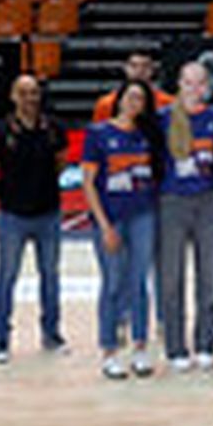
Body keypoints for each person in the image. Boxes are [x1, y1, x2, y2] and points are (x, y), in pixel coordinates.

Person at [81, 80, 160, 379]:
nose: (134, 103)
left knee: (139, 282)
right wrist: (104, 226)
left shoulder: (147, 135)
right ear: (119, 99)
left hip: (142, 216)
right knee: (113, 284)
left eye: (140, 99)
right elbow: (88, 184)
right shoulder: (99, 134)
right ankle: (110, 350)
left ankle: (140, 348)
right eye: (130, 96)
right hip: (111, 218)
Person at [0, 73, 66, 363]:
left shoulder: (54, 128)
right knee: (7, 278)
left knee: (51, 276)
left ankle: (51, 334)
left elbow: (60, 163)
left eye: (33, 92)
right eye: (23, 93)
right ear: (12, 96)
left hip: (49, 213)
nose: (29, 98)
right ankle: (1, 339)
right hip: (13, 216)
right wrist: (6, 197)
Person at [156, 63, 213, 371]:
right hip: (172, 201)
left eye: (200, 82)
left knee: (209, 275)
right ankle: (175, 347)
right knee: (171, 277)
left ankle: (205, 343)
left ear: (206, 86)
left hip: (208, 200)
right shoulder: (163, 119)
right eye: (188, 82)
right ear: (179, 84)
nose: (194, 88)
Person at [91, 50, 172, 122]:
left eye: (145, 66)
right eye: (134, 65)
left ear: (152, 70)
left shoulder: (168, 103)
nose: (139, 71)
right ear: (125, 68)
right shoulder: (106, 104)